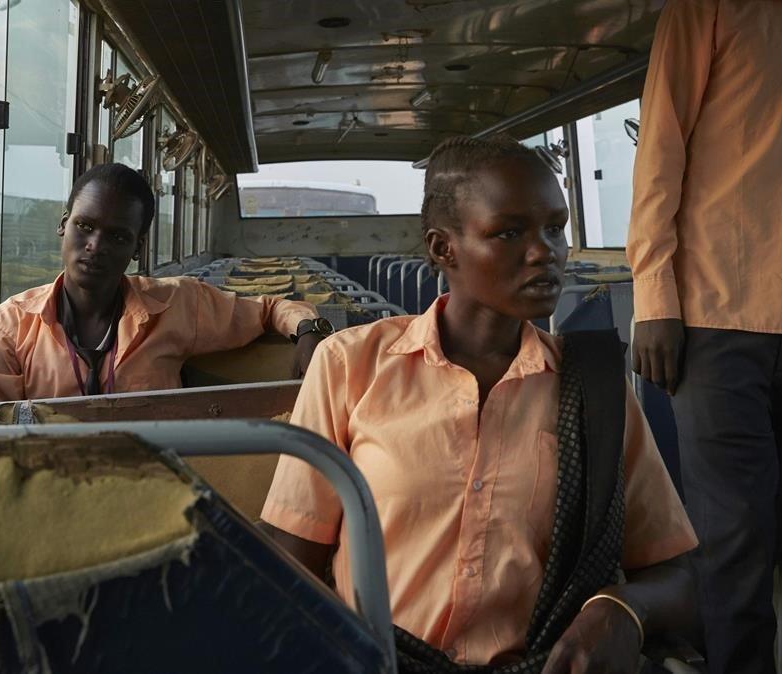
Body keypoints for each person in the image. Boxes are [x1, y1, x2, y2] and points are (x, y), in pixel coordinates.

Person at [260, 136, 698, 671]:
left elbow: (675, 574)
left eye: (555, 229)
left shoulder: (595, 390)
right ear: (443, 248)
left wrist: (620, 608)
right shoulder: (351, 366)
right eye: (509, 232)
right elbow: (288, 563)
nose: (545, 252)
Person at [627, 2, 782, 671]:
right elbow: (660, 146)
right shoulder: (707, 8)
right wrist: (654, 295)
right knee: (735, 542)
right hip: (715, 316)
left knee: (773, 536)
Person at [0, 163, 328, 402]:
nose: (95, 246)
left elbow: (268, 310)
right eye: (84, 226)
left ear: (137, 248)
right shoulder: (10, 327)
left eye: (116, 237)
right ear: (63, 225)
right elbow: (3, 437)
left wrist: (309, 330)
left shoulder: (178, 304)